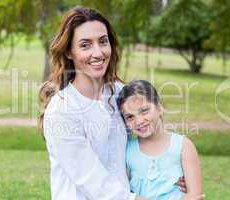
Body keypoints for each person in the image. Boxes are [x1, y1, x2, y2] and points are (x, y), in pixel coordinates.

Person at [39, 6, 186, 200]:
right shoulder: (61, 110)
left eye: (103, 41)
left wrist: (168, 172)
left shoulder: (119, 94)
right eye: (85, 45)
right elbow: (91, 180)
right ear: (68, 52)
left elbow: (145, 142)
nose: (98, 53)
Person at [116, 80, 204, 200]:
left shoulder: (183, 146)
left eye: (144, 110)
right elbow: (123, 193)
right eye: (130, 117)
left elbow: (195, 195)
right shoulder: (127, 151)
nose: (139, 121)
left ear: (159, 107)